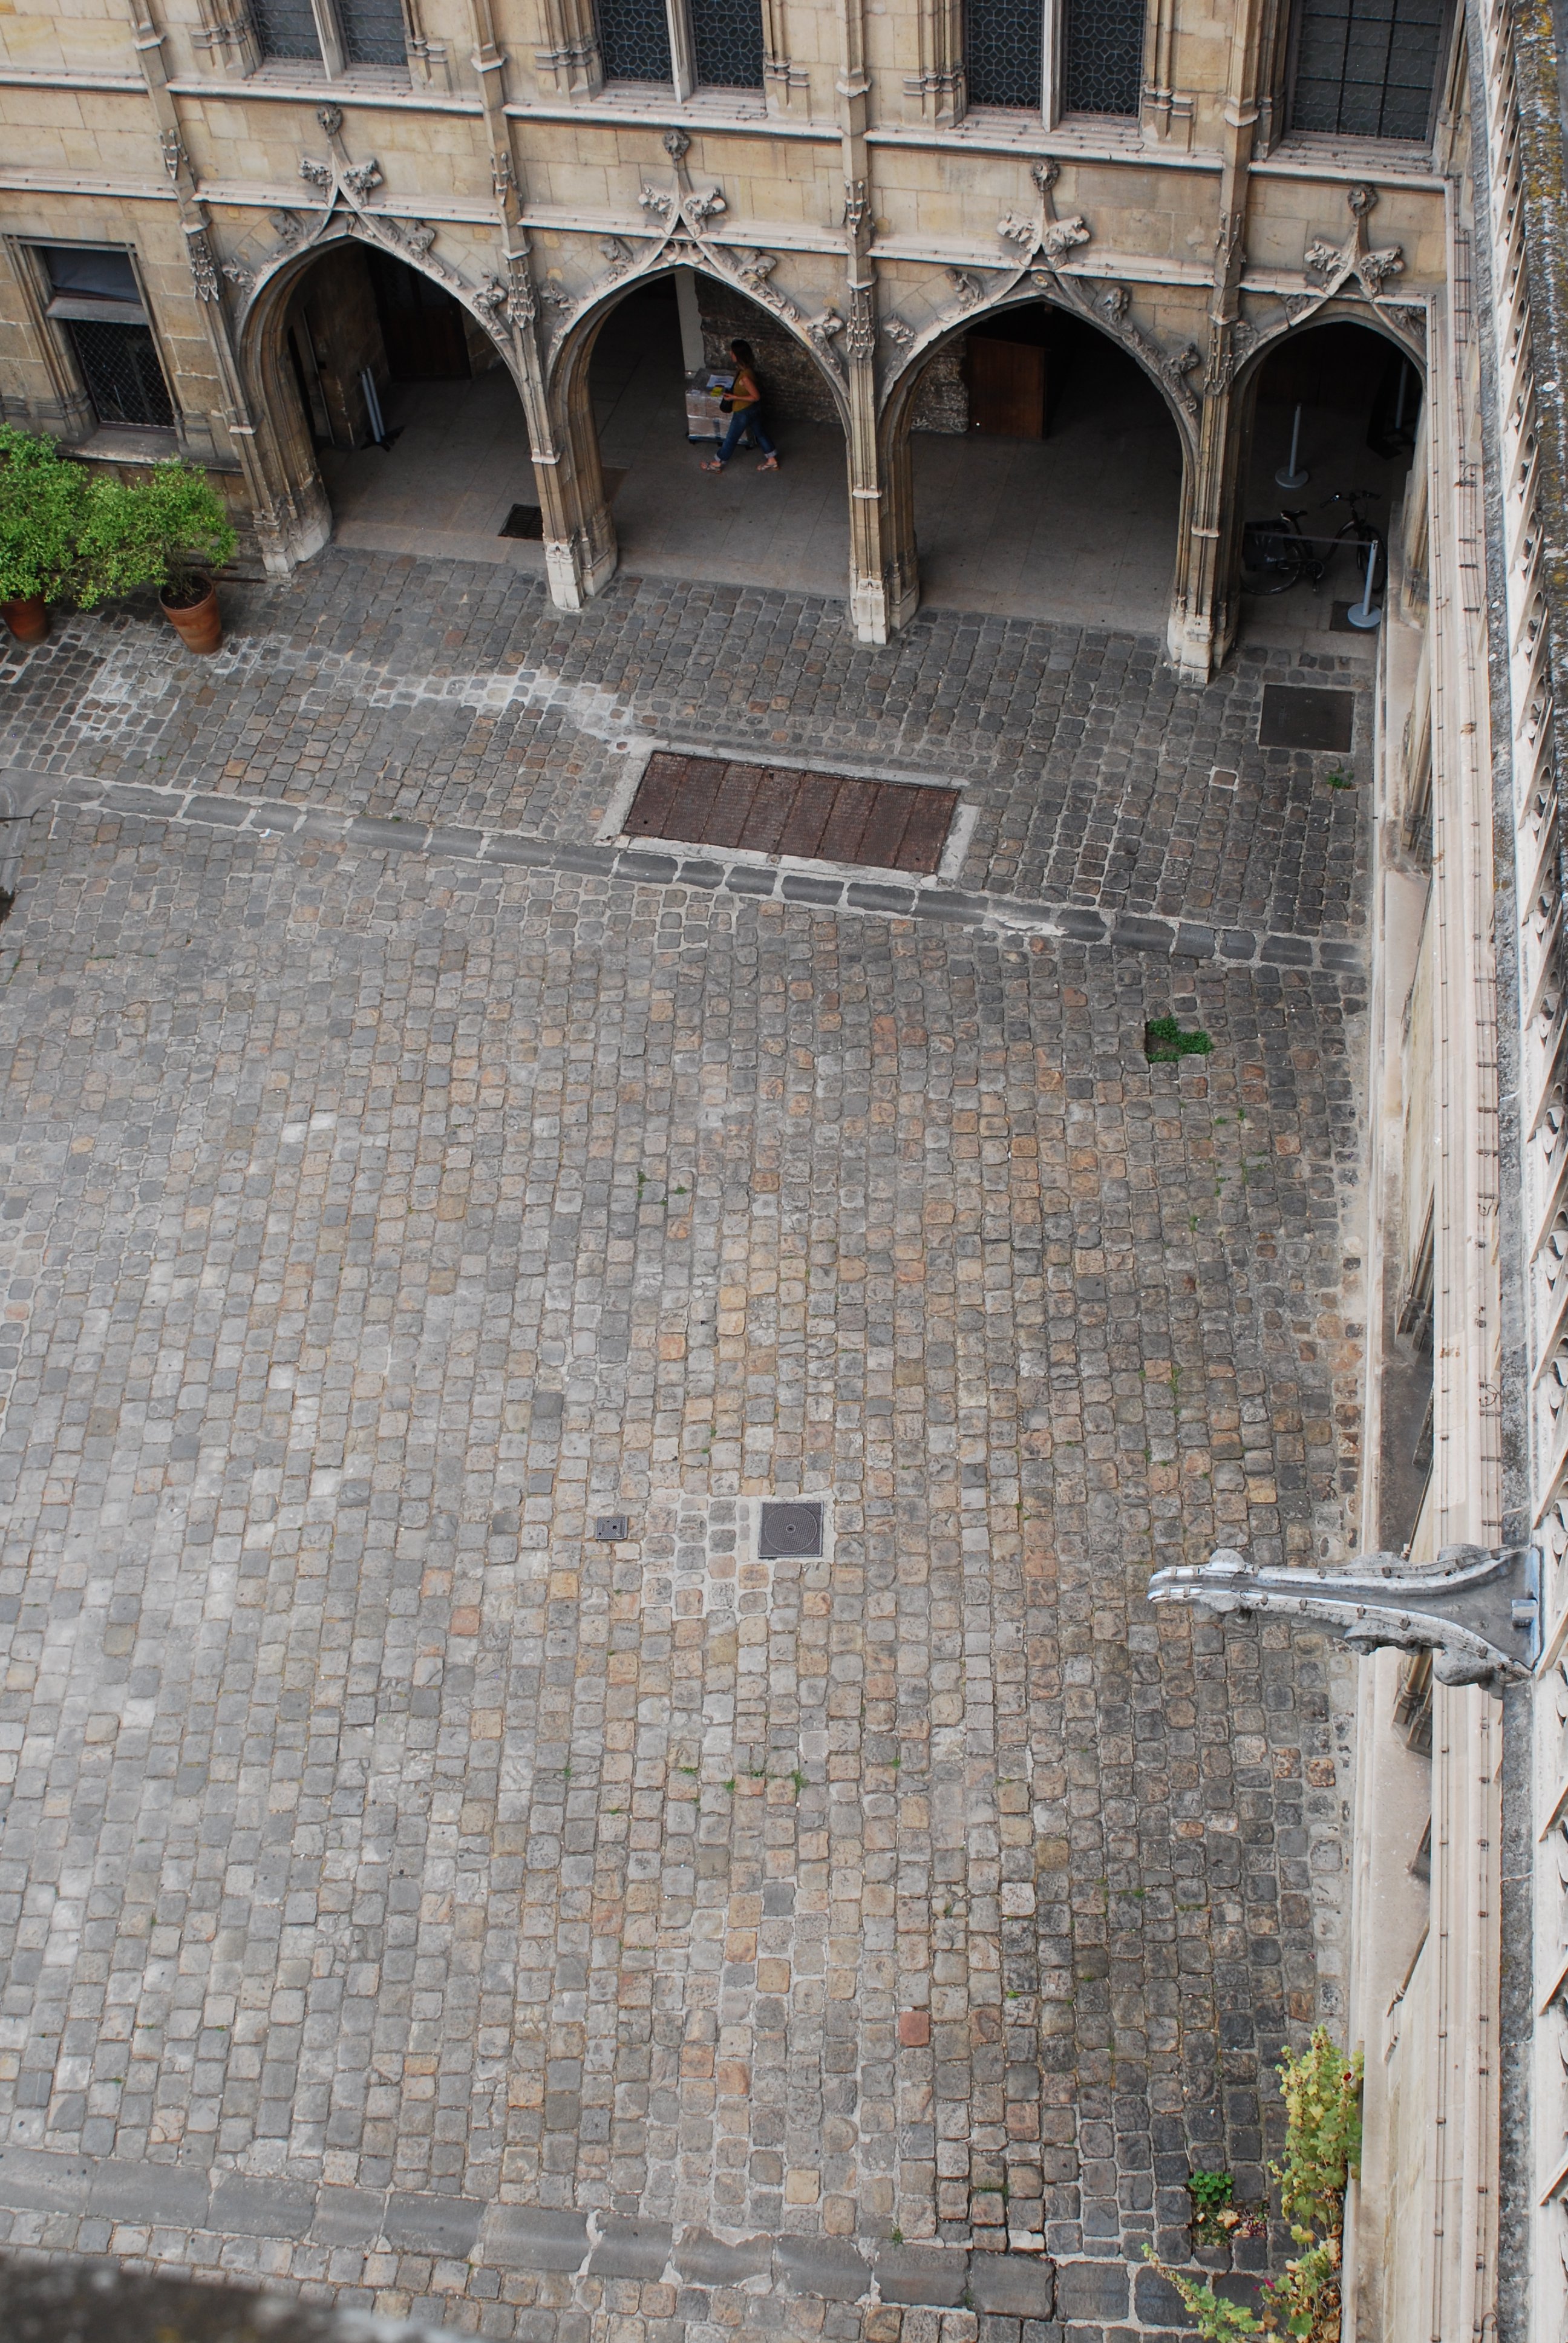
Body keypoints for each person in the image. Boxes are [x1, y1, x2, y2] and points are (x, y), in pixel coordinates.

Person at [702, 339, 779, 472]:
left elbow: (756, 396)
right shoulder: (747, 371)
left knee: (731, 438)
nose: (730, 354)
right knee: (760, 433)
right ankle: (772, 459)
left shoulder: (745, 378)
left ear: (737, 356)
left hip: (743, 412)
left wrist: (734, 397)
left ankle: (717, 463)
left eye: (732, 352)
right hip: (753, 411)